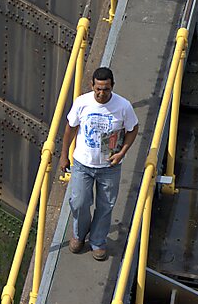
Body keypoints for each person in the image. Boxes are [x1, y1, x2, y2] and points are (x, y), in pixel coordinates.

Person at [58, 67, 139, 261]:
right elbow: (70, 128)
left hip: (109, 166)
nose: (101, 93)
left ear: (112, 87)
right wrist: (63, 155)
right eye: (98, 89)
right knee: (79, 202)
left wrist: (122, 153)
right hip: (82, 163)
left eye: (106, 89)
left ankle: (97, 241)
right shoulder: (82, 103)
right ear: (92, 86)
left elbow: (133, 129)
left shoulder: (123, 106)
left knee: (105, 205)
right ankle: (79, 234)